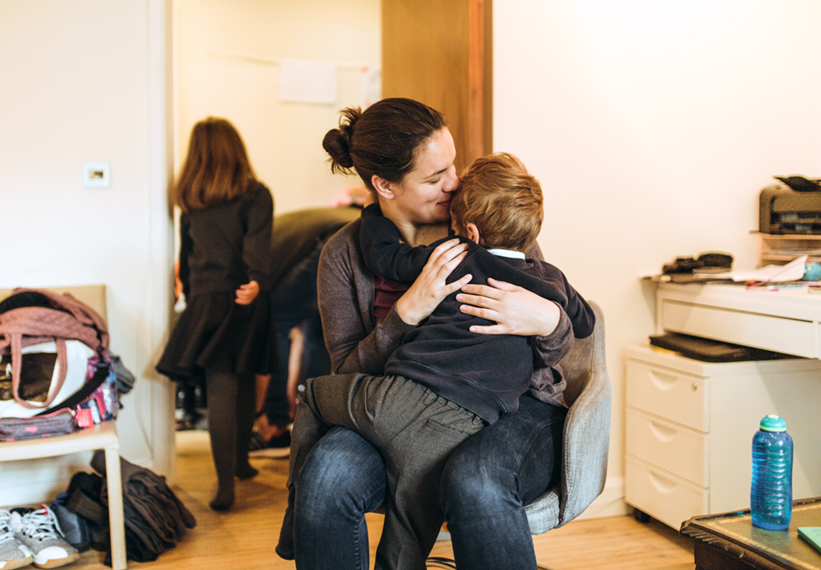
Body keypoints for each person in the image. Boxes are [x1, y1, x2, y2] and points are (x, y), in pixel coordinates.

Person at [276, 98, 581, 570]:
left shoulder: (486, 221)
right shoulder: (344, 256)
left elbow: (560, 331)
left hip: (515, 407)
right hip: (402, 405)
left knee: (476, 479)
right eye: (434, 177)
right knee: (326, 477)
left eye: (452, 165)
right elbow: (349, 371)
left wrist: (548, 321)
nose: (454, 182)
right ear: (384, 185)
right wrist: (405, 313)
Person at [155, 117, 278, 511]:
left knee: (220, 389)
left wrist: (192, 297)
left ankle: (230, 478)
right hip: (244, 295)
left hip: (206, 301)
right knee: (241, 382)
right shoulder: (256, 195)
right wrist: (256, 281)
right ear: (235, 150)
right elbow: (257, 246)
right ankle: (237, 468)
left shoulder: (191, 205)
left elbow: (187, 259)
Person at [252, 206, 361, 450]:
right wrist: (294, 390)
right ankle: (313, 418)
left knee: (274, 321)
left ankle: (275, 423)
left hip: (334, 239)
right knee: (317, 332)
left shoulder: (252, 253)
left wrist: (260, 410)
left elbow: (273, 329)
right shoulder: (281, 238)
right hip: (358, 236)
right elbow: (299, 333)